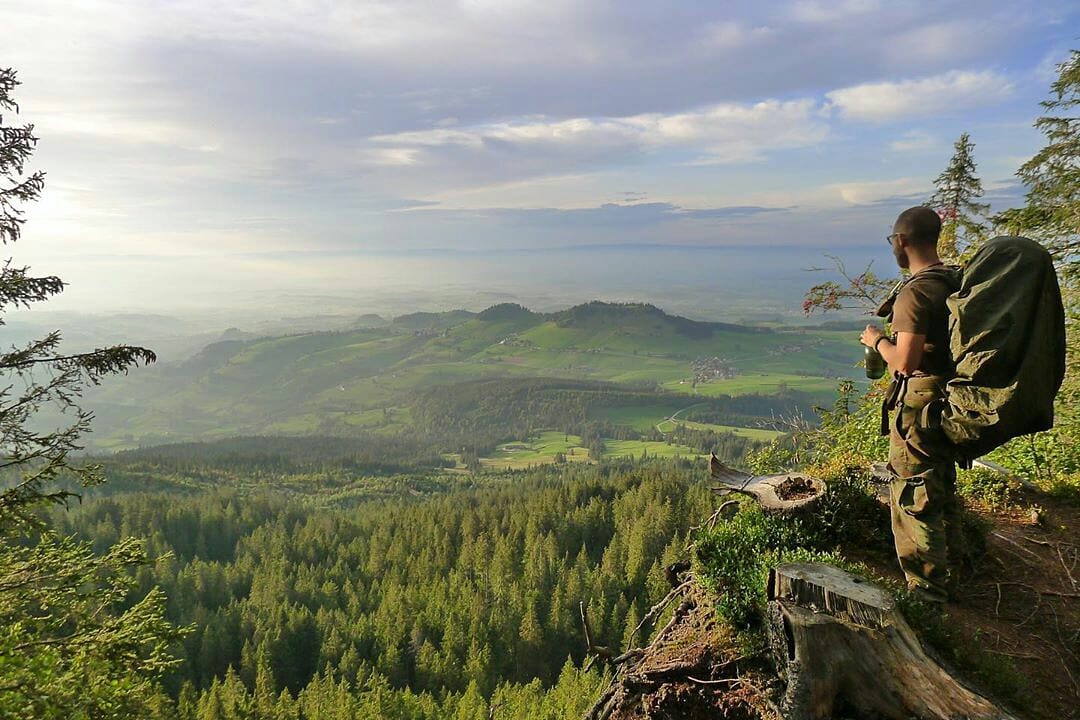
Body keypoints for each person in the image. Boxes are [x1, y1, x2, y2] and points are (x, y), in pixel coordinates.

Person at [860, 206, 962, 604]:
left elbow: (905, 361)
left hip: (921, 402)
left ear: (902, 242)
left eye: (893, 241)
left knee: (913, 493)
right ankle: (951, 568)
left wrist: (876, 341)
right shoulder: (953, 280)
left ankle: (927, 596)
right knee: (937, 483)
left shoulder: (916, 291)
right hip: (950, 396)